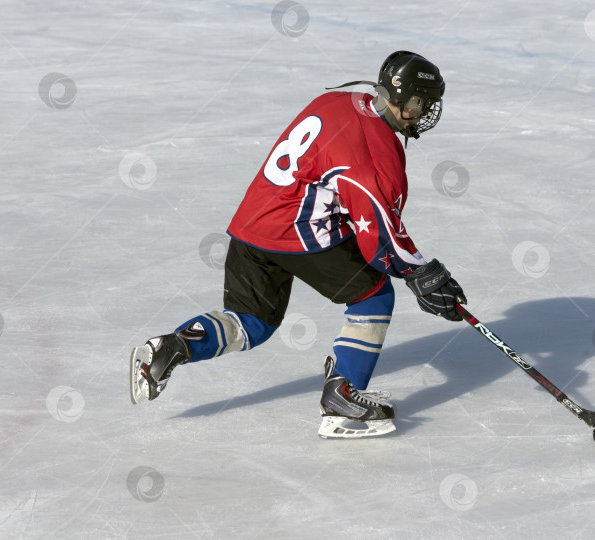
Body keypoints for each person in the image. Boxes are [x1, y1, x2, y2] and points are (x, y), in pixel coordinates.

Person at [129, 51, 467, 438]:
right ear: (412, 102)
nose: (425, 112)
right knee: (374, 296)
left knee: (252, 321)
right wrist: (422, 272)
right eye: (425, 103)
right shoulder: (379, 154)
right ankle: (344, 403)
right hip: (298, 231)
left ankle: (171, 347)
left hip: (252, 221)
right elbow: (381, 243)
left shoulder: (338, 100)